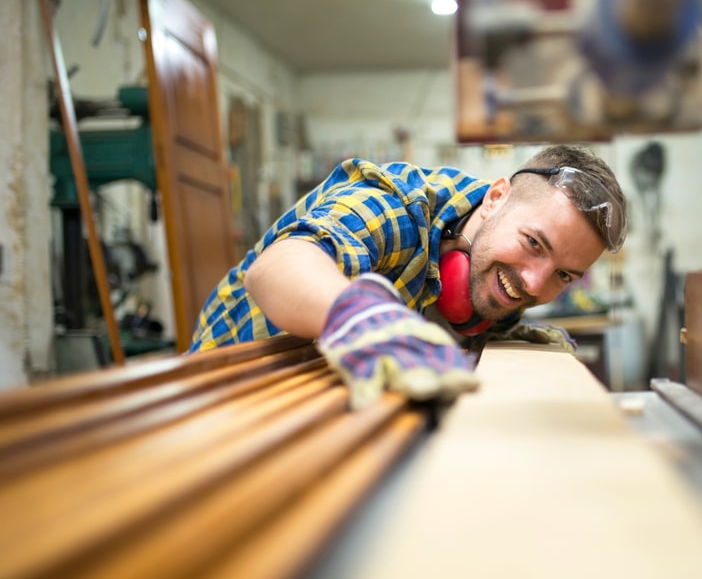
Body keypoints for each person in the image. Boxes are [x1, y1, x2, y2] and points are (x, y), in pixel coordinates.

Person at [189, 144, 627, 409]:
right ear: (495, 198)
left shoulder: (493, 266)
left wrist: (504, 339)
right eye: (534, 243)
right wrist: (359, 318)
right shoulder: (397, 206)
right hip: (222, 397)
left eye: (564, 276)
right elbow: (277, 267)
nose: (534, 285)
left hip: (318, 410)